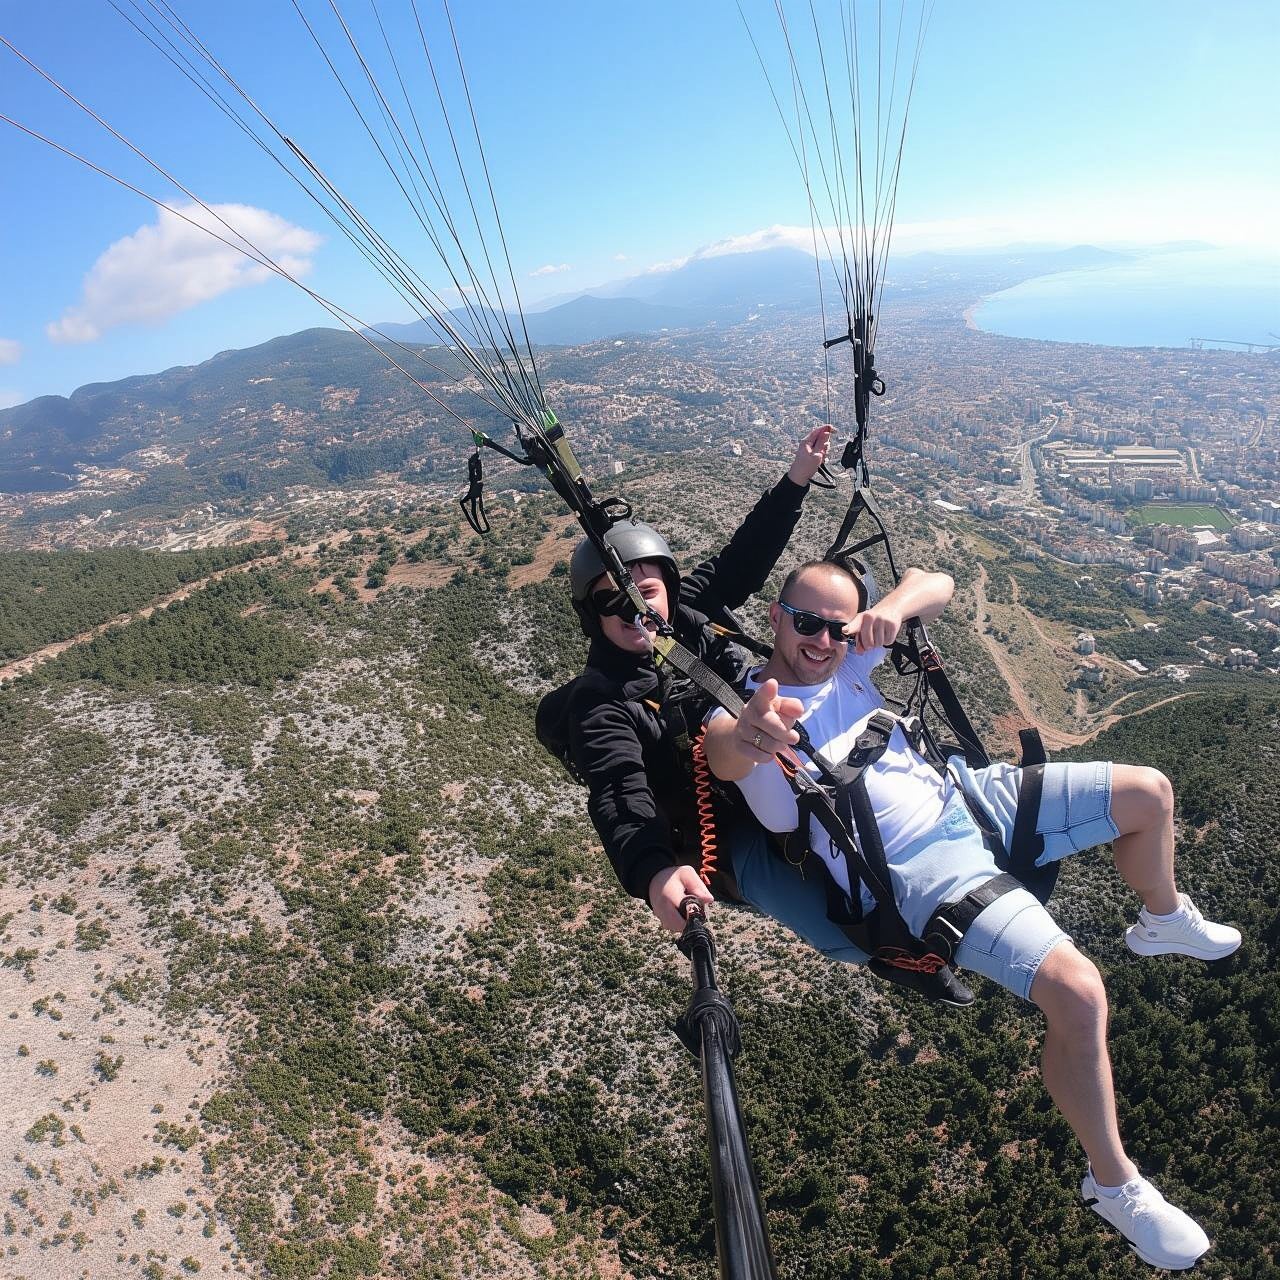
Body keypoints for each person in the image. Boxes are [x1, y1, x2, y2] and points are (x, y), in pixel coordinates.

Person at [701, 558, 1242, 1272]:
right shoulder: (745, 708)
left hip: (970, 796)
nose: (822, 640)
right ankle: (1114, 1184)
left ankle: (1163, 917)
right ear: (776, 617)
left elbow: (938, 580)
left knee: (1150, 794)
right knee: (1079, 992)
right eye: (806, 623)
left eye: (837, 627)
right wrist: (753, 734)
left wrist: (891, 609)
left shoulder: (853, 658)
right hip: (919, 873)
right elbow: (724, 755)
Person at [546, 425, 833, 934]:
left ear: (670, 591)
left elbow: (743, 558)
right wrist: (654, 871)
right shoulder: (601, 702)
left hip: (779, 747)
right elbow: (618, 790)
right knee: (831, 925)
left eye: (646, 592)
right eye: (611, 600)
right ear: (591, 616)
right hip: (726, 827)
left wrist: (795, 481)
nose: (634, 609)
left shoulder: (688, 613)